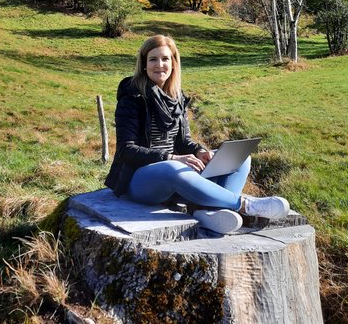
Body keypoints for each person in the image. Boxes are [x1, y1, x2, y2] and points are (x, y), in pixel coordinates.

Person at [104, 35, 290, 234]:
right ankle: (245, 205)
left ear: (174, 63)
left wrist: (200, 151)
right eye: (153, 59)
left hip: (173, 175)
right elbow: (126, 150)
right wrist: (172, 158)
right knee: (172, 168)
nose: (160, 65)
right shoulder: (132, 97)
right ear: (143, 64)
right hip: (138, 181)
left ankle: (207, 212)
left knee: (239, 157)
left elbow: (184, 141)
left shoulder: (177, 97)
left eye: (165, 59)